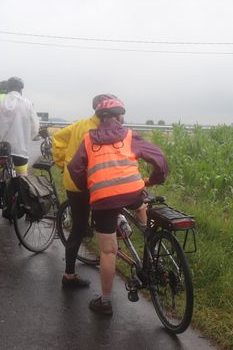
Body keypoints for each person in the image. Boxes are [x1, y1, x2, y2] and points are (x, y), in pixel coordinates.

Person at [68, 97, 168, 315]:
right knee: (141, 206)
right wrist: (155, 180)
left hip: (103, 199)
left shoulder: (88, 139)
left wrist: (89, 187)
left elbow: (74, 168)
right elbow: (159, 158)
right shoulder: (130, 135)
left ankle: (104, 302)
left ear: (100, 118)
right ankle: (150, 246)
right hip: (132, 191)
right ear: (120, 116)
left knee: (108, 251)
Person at [52, 94, 117, 288]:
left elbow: (57, 138)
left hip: (73, 183)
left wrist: (62, 163)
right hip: (92, 184)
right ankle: (71, 276)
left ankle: (70, 273)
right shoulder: (102, 131)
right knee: (86, 228)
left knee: (78, 228)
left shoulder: (80, 124)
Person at [0, 77, 39, 216]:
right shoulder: (27, 104)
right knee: (23, 178)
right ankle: (26, 208)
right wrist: (27, 137)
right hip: (20, 150)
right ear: (20, 89)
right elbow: (35, 128)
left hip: (1, 149)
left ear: (7, 88)